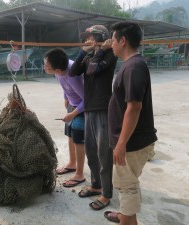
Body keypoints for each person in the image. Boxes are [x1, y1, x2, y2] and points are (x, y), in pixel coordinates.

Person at [104, 21, 158, 225]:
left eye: (114, 40)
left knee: (126, 185)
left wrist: (121, 143)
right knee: (125, 183)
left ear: (123, 41)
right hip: (130, 140)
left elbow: (134, 107)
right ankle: (125, 215)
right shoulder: (131, 65)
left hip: (131, 143)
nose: (112, 44)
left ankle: (128, 221)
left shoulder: (134, 67)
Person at [70, 25, 117, 210]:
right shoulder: (90, 55)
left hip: (103, 108)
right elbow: (74, 72)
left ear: (100, 37)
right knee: (90, 150)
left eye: (91, 37)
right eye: (86, 38)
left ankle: (106, 193)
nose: (88, 40)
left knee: (104, 153)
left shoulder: (110, 54)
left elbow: (91, 70)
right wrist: (83, 52)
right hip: (89, 108)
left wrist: (101, 50)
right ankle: (96, 185)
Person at [44, 48, 86, 188]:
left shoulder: (72, 76)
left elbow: (88, 99)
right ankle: (72, 163)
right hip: (72, 103)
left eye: (47, 66)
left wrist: (73, 114)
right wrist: (66, 97)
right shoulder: (59, 71)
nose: (44, 67)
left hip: (82, 107)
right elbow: (64, 86)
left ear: (56, 69)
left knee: (79, 139)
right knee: (70, 134)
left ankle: (80, 173)